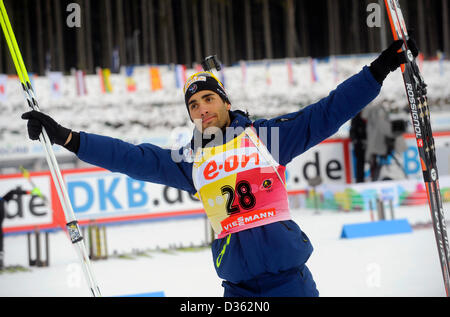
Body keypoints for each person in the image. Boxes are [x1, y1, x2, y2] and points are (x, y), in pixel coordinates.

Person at [21, 39, 417, 297]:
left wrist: (378, 69)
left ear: (226, 102)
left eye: (208, 99)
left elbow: (327, 112)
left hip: (290, 283)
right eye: (193, 106)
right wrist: (68, 137)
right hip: (237, 291)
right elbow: (132, 157)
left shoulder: (267, 139)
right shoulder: (190, 161)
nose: (201, 109)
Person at [0, 189, 29, 270]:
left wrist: (28, 192)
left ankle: (1, 261)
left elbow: (12, 192)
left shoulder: (2, 199)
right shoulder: (2, 200)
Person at [349, 111, 367, 183]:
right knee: (360, 163)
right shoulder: (356, 117)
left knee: (373, 162)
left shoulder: (370, 114)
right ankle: (360, 180)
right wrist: (356, 141)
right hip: (360, 145)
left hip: (369, 143)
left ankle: (374, 179)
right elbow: (352, 131)